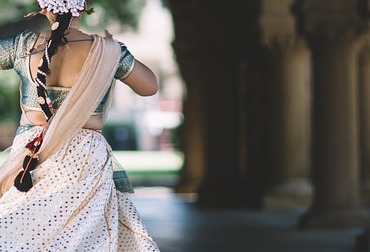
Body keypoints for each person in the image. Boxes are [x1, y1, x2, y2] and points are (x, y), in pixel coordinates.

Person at [0, 0, 161, 251]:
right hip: (84, 157)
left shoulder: (24, 46)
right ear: (83, 7)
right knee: (81, 237)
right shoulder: (107, 51)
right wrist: (118, 57)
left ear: (44, 8)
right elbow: (149, 86)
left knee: (25, 225)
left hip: (32, 156)